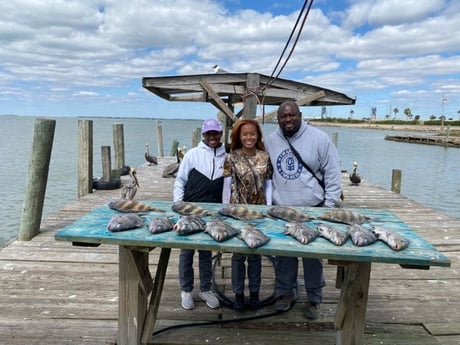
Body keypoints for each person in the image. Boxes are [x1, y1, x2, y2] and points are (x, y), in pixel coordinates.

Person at [263, 100, 342, 320]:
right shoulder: (270, 141)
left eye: (291, 115)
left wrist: (327, 209)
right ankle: (285, 294)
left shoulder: (320, 139)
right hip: (282, 211)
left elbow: (333, 176)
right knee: (283, 256)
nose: (287, 120)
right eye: (282, 117)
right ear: (277, 119)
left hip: (313, 210)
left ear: (300, 115)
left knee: (313, 258)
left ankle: (314, 299)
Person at [173, 118, 227, 310]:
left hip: (213, 213)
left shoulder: (227, 156)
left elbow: (229, 187)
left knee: (206, 251)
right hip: (189, 210)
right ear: (203, 135)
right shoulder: (192, 155)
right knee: (186, 252)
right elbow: (180, 182)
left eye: (216, 133)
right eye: (209, 133)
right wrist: (179, 209)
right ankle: (186, 290)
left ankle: (205, 289)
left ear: (221, 134)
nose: (212, 137)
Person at [222, 119, 273, 311]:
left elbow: (268, 184)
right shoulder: (231, 157)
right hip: (237, 211)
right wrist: (225, 208)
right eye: (245, 134)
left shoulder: (265, 157)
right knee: (237, 255)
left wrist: (268, 208)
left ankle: (254, 293)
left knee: (255, 254)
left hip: (258, 212)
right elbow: (227, 185)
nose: (249, 137)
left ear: (258, 136)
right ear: (238, 137)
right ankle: (237, 294)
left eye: (252, 133)